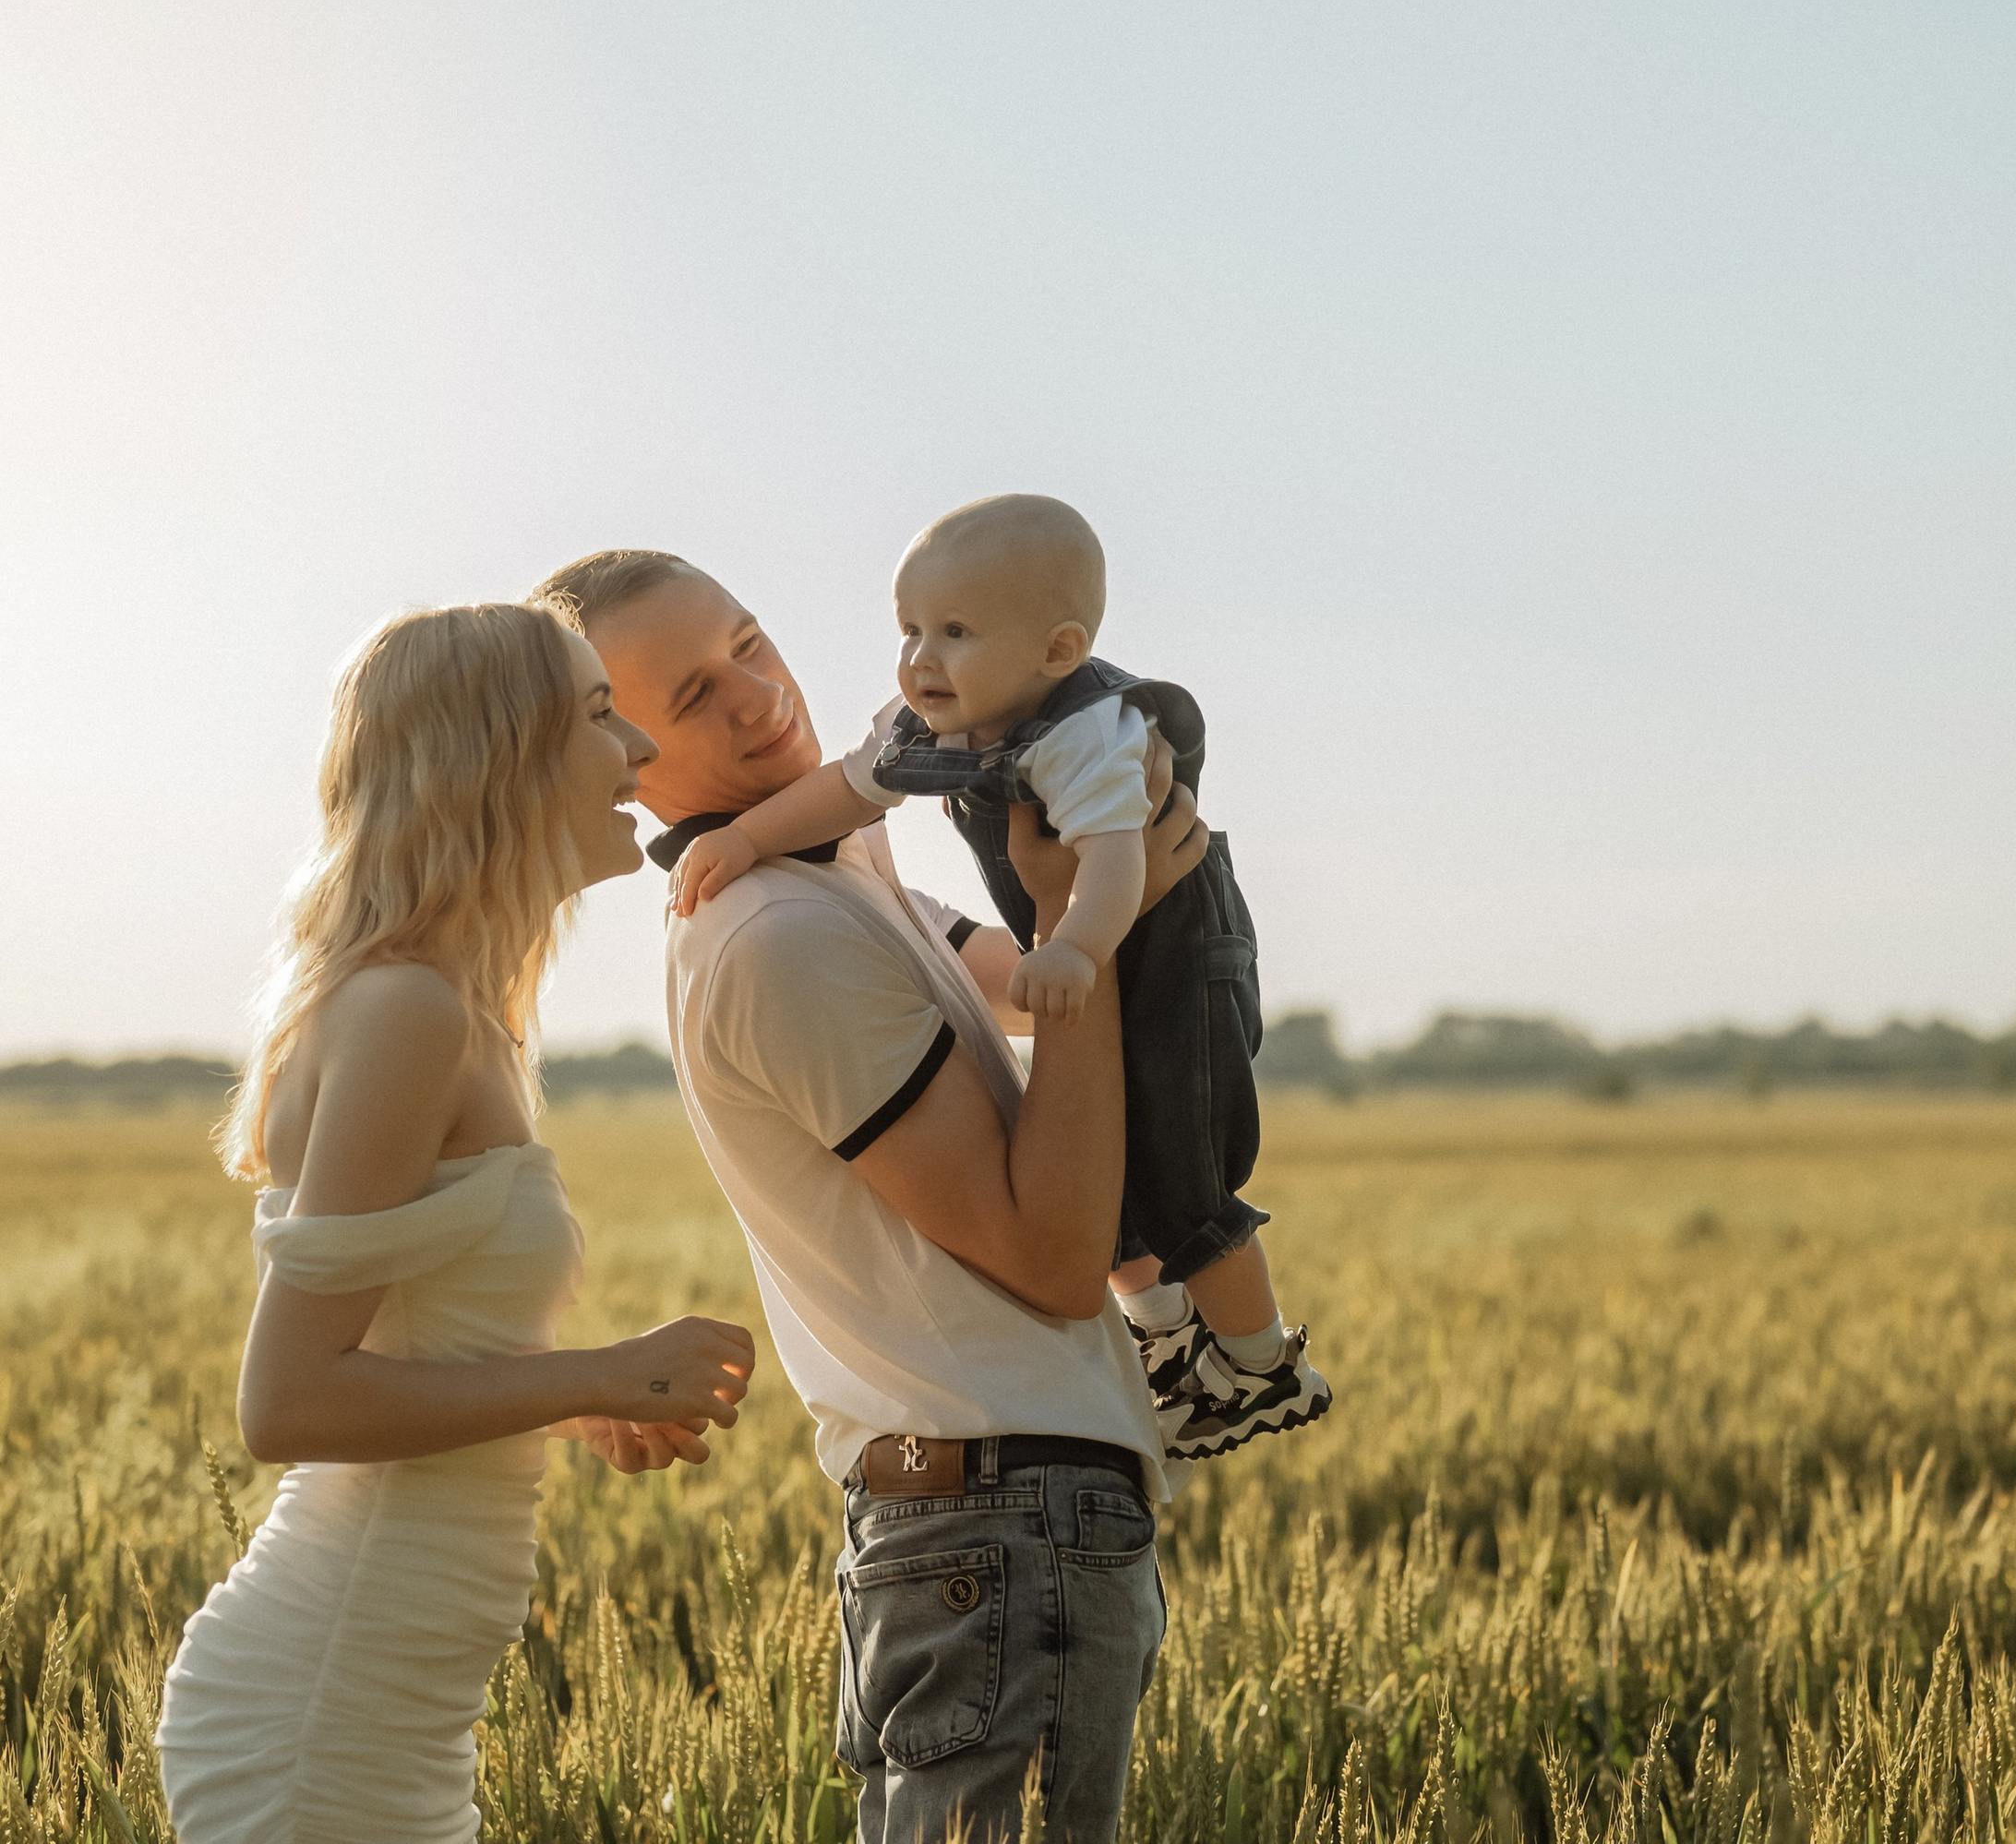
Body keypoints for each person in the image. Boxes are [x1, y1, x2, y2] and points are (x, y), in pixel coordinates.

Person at [534, 546, 1209, 1844]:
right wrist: (1086, 933)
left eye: (746, 640)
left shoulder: (832, 875)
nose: (756, 694)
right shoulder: (780, 938)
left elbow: (1013, 984)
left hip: (988, 1527)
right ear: (626, 750)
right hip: (1001, 1521)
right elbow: (1053, 1256)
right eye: (689, 697)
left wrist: (1110, 880)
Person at [157, 603, 758, 1844]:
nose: (640, 749)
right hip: (324, 1704)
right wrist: (604, 1369)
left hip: (392, 1696)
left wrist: (568, 1392)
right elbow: (289, 1405)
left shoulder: (458, 1011)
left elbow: (410, 1342)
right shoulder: (406, 1013)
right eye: (598, 715)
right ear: (497, 752)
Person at [665, 494, 1330, 1461]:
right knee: (1104, 1151)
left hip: (1172, 950)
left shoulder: (1084, 734)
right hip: (1079, 939)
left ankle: (1261, 1365)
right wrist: (743, 837)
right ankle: (1168, 1342)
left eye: (956, 633)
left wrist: (1074, 942)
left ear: (1057, 651)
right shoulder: (919, 731)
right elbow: (848, 786)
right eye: (909, 629)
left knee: (1179, 1163)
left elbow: (1113, 858)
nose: (919, 659)